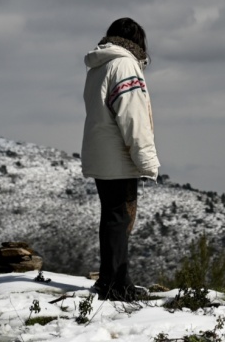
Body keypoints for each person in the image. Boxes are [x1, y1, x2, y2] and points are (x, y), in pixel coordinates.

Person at [81, 17, 160, 301]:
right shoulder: (125, 65)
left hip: (101, 152)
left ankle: (114, 279)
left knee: (112, 217)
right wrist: (147, 161)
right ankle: (114, 285)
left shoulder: (99, 65)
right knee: (120, 217)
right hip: (118, 154)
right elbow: (133, 118)